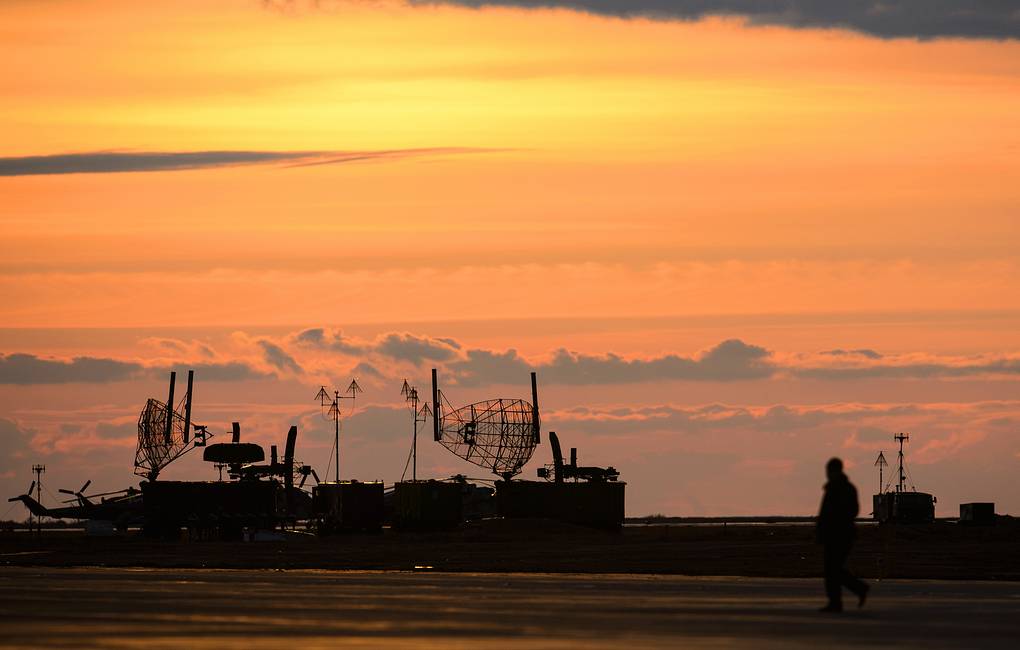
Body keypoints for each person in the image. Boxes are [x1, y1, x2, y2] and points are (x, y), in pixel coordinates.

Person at [816, 457, 869, 612]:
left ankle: (843, 598)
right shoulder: (837, 488)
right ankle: (843, 597)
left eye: (829, 471)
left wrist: (835, 523)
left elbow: (851, 511)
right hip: (836, 534)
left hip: (841, 535)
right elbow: (824, 514)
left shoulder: (842, 489)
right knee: (833, 569)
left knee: (833, 570)